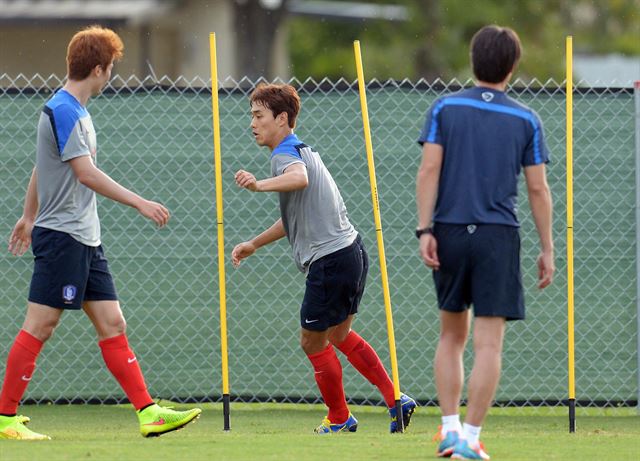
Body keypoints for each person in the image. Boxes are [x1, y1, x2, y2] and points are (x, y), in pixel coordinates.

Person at [0, 25, 201, 441]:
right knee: (41, 324)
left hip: (86, 238)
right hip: (64, 237)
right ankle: (4, 418)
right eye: (110, 67)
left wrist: (27, 214)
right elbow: (84, 173)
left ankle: (148, 413)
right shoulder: (65, 110)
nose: (111, 75)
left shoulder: (75, 110)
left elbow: (43, 165)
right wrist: (140, 202)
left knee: (113, 323)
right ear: (97, 69)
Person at [231, 83, 416, 434]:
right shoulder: (303, 151)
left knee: (311, 340)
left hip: (331, 260)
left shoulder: (286, 156)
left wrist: (259, 185)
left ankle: (340, 418)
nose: (252, 124)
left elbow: (296, 180)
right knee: (340, 336)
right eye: (251, 116)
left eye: (258, 116)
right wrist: (254, 243)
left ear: (282, 118)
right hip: (351, 253)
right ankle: (396, 400)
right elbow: (296, 216)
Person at [416, 25, 554, 460]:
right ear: (513, 66)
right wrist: (547, 248)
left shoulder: (444, 108)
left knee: (451, 336)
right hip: (498, 236)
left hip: (450, 231)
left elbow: (428, 171)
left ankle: (448, 430)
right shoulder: (526, 118)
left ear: (474, 60)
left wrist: (426, 230)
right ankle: (471, 439)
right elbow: (537, 190)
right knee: (488, 344)